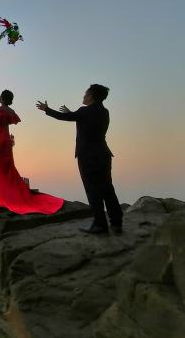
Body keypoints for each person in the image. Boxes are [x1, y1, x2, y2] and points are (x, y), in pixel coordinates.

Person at [36, 84, 123, 234]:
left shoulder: (84, 111)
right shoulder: (104, 111)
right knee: (107, 188)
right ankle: (116, 222)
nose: (84, 96)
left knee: (92, 190)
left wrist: (47, 109)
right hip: (103, 154)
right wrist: (72, 114)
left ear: (91, 96)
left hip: (87, 156)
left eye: (86, 94)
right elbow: (85, 121)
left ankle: (100, 225)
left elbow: (65, 117)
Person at [0, 90, 64, 214]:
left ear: (2, 98)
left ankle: (0, 192)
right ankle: (8, 189)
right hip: (6, 139)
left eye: (0, 96)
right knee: (7, 165)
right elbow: (12, 119)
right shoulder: (10, 111)